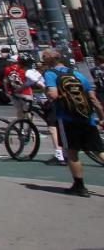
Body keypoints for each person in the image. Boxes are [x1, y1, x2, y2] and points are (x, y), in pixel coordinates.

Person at [42, 47, 104, 197]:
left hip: (67, 119)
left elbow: (53, 95)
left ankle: (79, 186)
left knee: (72, 152)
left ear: (49, 60)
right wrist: (101, 117)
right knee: (99, 150)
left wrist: (46, 91)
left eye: (44, 58)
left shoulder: (50, 74)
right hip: (87, 118)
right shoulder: (77, 75)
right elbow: (93, 99)